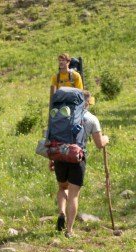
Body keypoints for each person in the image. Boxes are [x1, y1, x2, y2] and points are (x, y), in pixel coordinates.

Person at [49, 91, 108, 237]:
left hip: (60, 156)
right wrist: (106, 138)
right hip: (77, 158)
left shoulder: (61, 114)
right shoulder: (91, 119)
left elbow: (52, 137)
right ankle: (69, 230)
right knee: (74, 195)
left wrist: (52, 159)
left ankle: (61, 213)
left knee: (63, 188)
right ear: (86, 103)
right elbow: (99, 144)